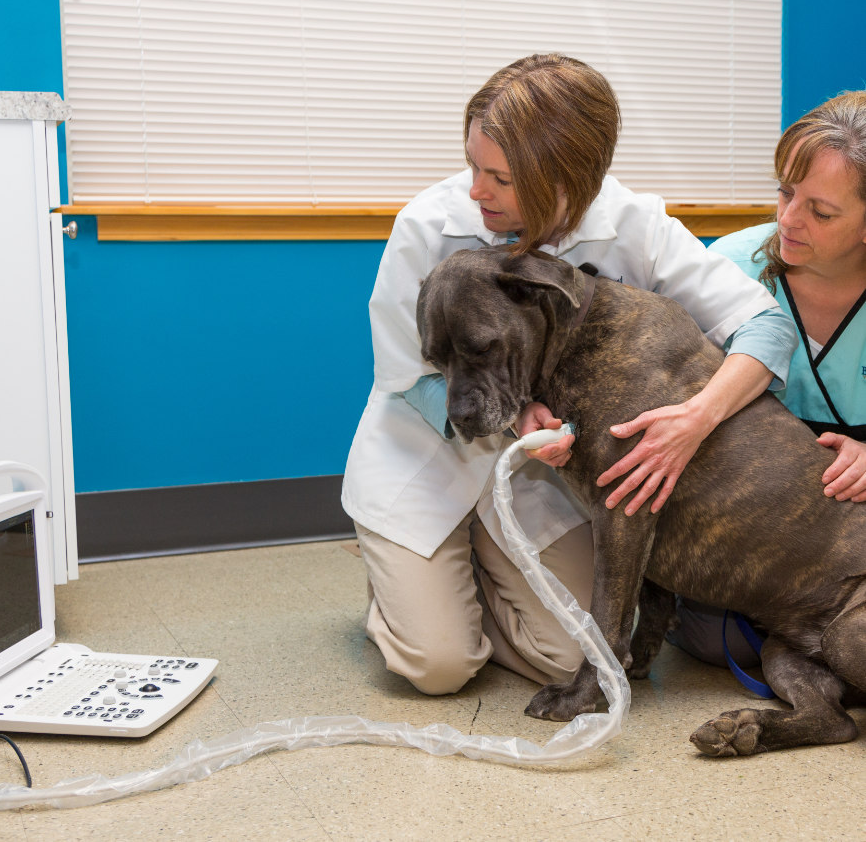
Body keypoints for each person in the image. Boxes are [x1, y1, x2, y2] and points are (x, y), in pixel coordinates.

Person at [341, 53, 797, 697]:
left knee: (568, 663)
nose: (476, 190)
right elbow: (401, 371)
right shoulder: (427, 225)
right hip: (427, 448)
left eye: (498, 176)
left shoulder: (632, 225)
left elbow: (765, 328)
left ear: (567, 179)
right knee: (437, 665)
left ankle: (464, 583)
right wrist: (513, 415)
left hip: (542, 479)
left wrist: (697, 418)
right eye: (473, 165)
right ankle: (414, 599)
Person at [669, 89, 866, 668]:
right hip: (753, 524)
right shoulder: (725, 270)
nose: (787, 220)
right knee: (712, 641)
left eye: (821, 212)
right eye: (785, 192)